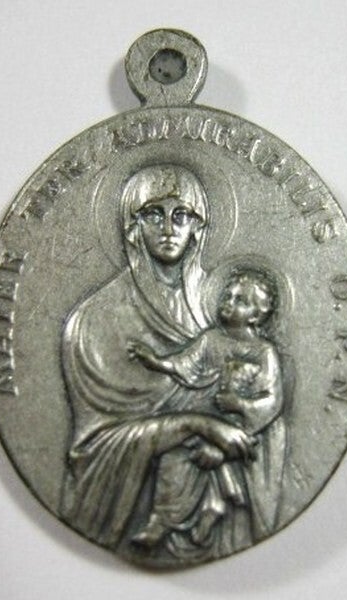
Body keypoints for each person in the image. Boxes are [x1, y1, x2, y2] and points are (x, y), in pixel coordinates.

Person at [60, 164, 253, 563]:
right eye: (153, 214)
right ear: (132, 226)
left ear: (198, 227)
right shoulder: (94, 320)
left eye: (181, 215)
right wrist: (196, 425)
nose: (168, 228)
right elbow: (95, 447)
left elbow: (260, 386)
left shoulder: (224, 305)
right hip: (133, 501)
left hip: (230, 511)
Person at [127, 269, 283, 548]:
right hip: (206, 418)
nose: (228, 303)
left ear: (256, 316)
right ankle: (166, 519)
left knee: (206, 452)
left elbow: (271, 401)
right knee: (175, 453)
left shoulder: (264, 352)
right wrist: (156, 362)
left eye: (240, 301)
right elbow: (185, 363)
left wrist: (239, 407)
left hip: (245, 428)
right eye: (228, 296)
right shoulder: (211, 339)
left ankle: (210, 508)